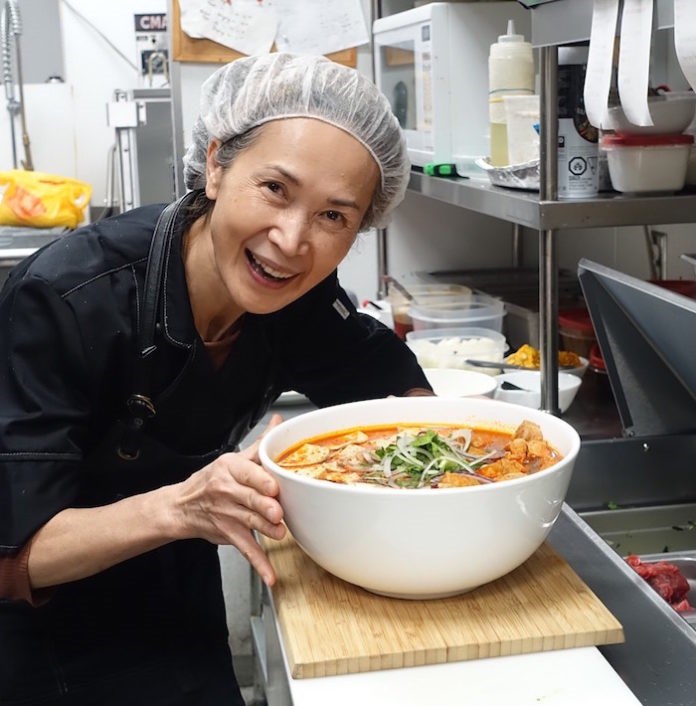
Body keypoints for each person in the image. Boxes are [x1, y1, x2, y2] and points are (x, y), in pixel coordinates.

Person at [0, 53, 431, 705]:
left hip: (178, 601)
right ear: (216, 164)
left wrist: (446, 475)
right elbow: (15, 555)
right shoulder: (63, 298)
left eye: (333, 217)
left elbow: (394, 389)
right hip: (47, 634)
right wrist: (182, 506)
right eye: (276, 189)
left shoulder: (296, 299)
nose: (290, 240)